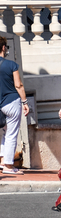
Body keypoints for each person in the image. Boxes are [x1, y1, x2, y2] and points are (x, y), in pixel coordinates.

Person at [0, 36, 30, 175]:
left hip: (0, 105)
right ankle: (8, 165)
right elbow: (18, 85)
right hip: (11, 102)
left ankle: (2, 161)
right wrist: (25, 102)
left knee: (4, 133)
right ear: (4, 47)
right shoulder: (11, 65)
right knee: (11, 134)